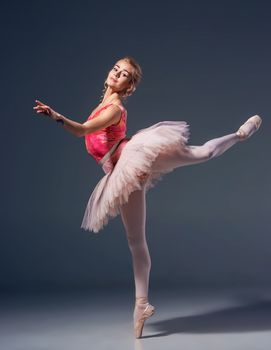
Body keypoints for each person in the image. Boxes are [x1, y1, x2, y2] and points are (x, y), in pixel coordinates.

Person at [33, 56, 262, 338]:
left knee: (202, 153)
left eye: (125, 74)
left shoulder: (114, 109)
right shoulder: (102, 105)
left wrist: (55, 115)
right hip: (121, 172)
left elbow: (81, 130)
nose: (117, 74)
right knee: (135, 241)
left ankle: (239, 135)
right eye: (116, 69)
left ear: (129, 86)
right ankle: (141, 305)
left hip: (134, 156)